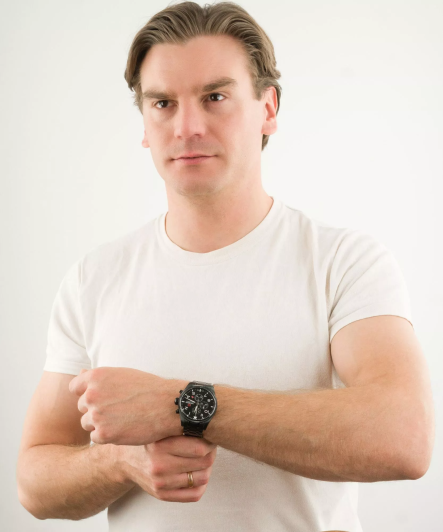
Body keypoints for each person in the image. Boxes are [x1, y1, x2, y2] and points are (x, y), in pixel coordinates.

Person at [17, 2, 434, 531]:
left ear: (268, 108)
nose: (187, 127)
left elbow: (405, 436)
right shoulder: (92, 279)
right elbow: (34, 483)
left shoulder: (344, 262)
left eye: (215, 97)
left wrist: (183, 405)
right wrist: (118, 462)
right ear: (144, 122)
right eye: (163, 103)